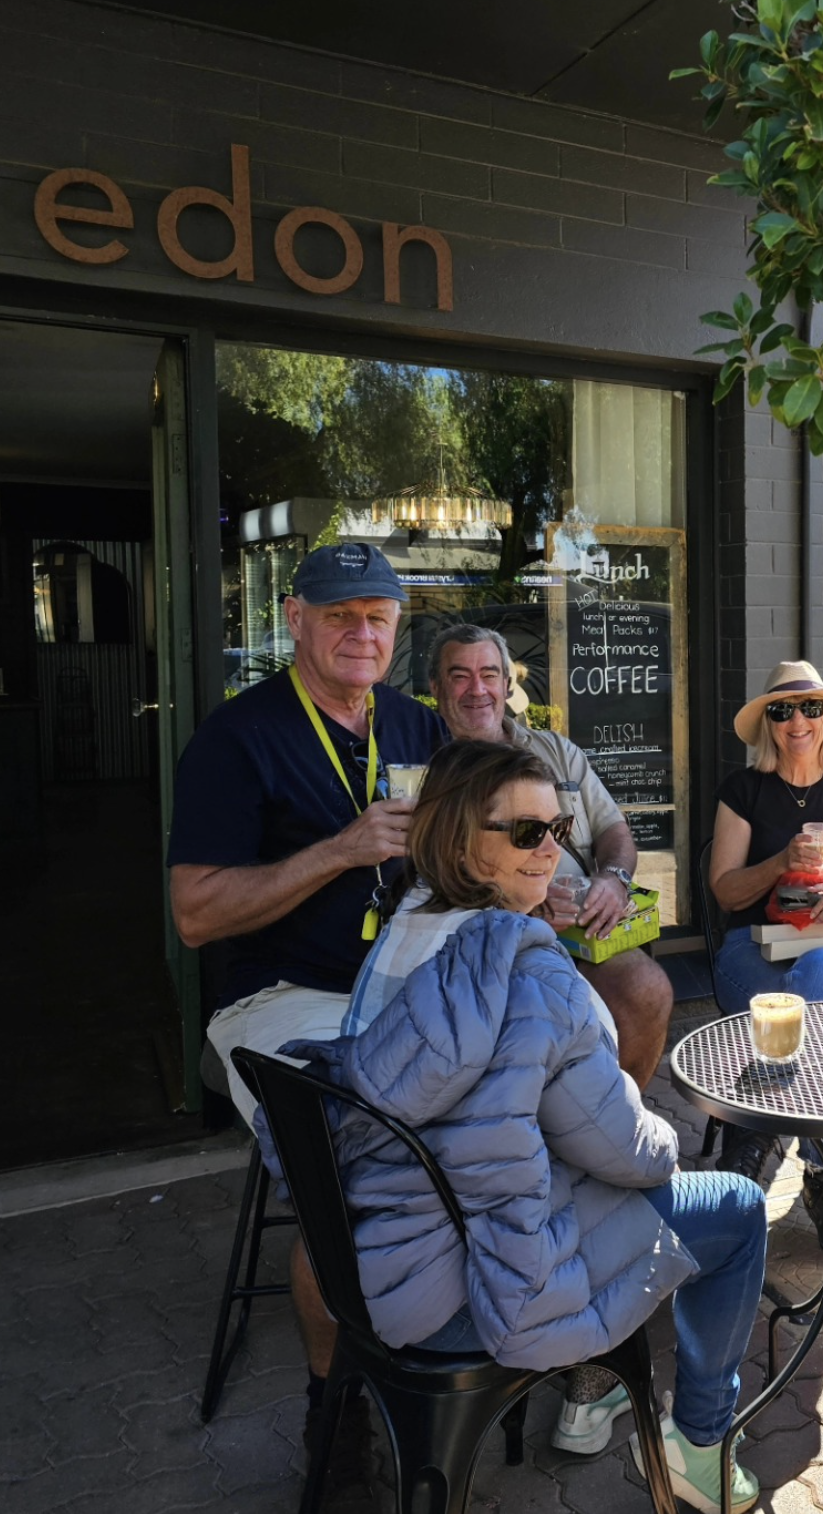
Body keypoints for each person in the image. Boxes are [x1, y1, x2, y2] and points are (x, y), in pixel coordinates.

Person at [269, 740, 768, 1514]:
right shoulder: (527, 970)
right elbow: (628, 1154)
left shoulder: (405, 918)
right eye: (525, 834)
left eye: (557, 828)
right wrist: (669, 1135)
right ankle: (698, 1448)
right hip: (473, 1287)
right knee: (736, 1205)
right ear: (463, 838)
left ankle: (599, 1389)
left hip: (373, 1270)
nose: (551, 853)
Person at [166, 541, 447, 1411]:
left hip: (405, 984)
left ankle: (468, 1338)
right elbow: (196, 915)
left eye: (377, 618)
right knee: (355, 1175)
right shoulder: (236, 738)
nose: (361, 634)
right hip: (282, 999)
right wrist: (339, 851)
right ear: (295, 620)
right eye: (339, 617)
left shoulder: (416, 725)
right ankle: (337, 1404)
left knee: (506, 1115)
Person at [426, 621, 673, 1088]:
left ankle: (622, 1118)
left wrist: (614, 878)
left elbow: (612, 828)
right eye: (460, 676)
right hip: (483, 942)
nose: (477, 690)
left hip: (579, 934)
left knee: (647, 988)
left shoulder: (555, 750)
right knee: (538, 1018)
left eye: (489, 674)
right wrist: (520, 909)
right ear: (437, 688)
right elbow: (424, 872)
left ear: (507, 683)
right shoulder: (425, 766)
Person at [708, 660, 823, 1247]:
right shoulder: (744, 790)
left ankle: (760, 1134)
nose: (798, 721)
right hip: (753, 951)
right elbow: (725, 890)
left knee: (812, 979)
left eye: (812, 708)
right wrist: (781, 862)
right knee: (799, 1007)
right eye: (782, 710)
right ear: (768, 724)